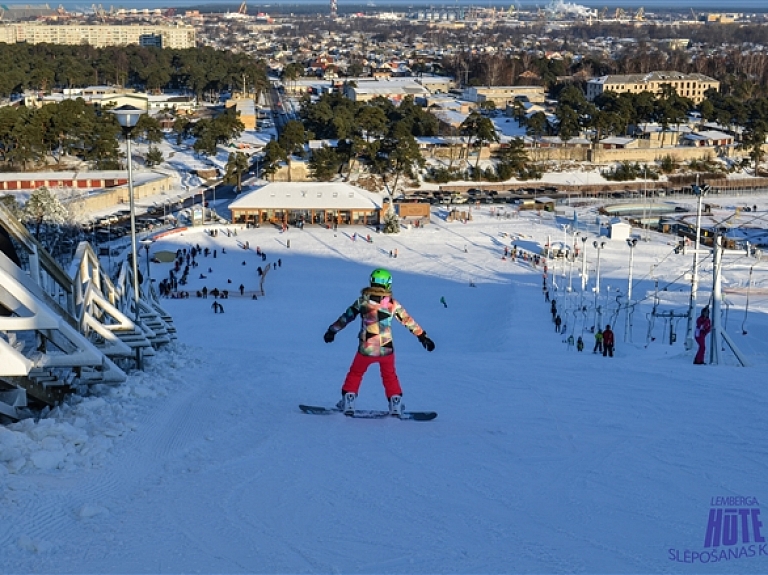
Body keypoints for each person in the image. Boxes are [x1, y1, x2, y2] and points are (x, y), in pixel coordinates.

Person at [323, 268, 434, 416]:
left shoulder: (362, 301)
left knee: (356, 373)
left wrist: (332, 330)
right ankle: (395, 404)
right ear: (388, 284)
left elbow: (346, 317)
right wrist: (422, 336)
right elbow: (407, 320)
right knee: (389, 375)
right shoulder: (392, 304)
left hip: (367, 348)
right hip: (386, 348)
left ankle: (348, 401)